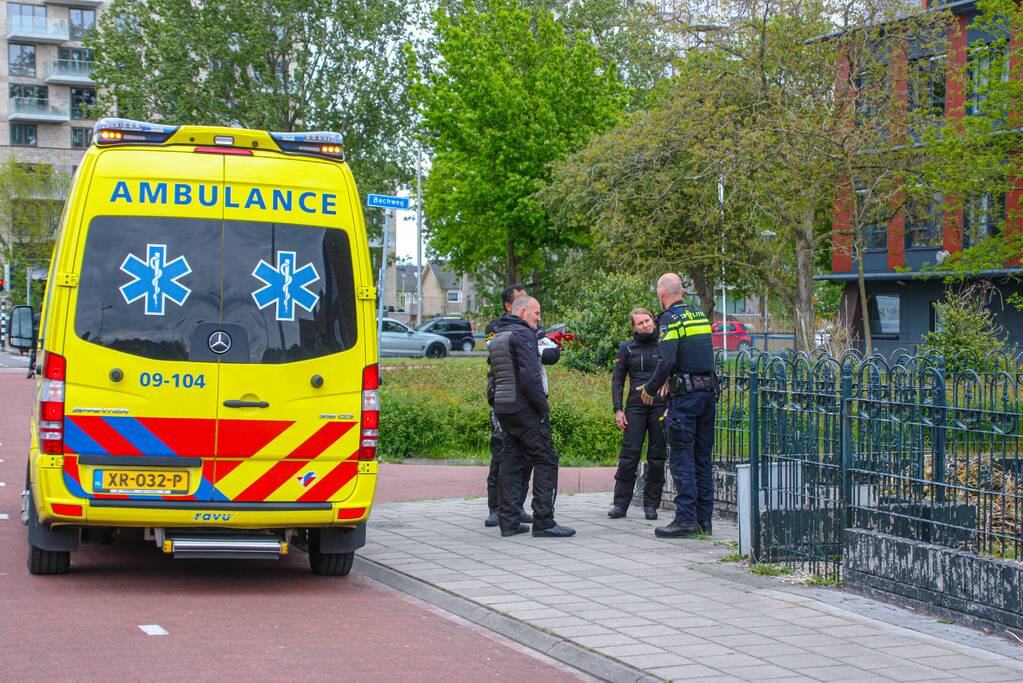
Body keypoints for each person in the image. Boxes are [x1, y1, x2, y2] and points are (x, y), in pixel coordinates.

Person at [639, 274, 718, 538]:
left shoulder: (670, 319)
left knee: (682, 459)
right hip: (707, 395)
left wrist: (651, 388)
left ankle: (684, 520)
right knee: (702, 460)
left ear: (662, 294)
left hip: (685, 401)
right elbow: (696, 355)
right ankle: (703, 521)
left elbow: (667, 360)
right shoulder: (700, 316)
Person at [488, 296, 574, 538]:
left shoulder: (499, 335)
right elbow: (529, 375)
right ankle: (544, 521)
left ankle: (509, 522)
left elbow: (493, 376)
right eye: (536, 313)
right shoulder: (523, 334)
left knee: (511, 461)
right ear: (523, 311)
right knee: (546, 458)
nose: (539, 318)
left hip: (504, 408)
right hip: (525, 408)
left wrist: (495, 404)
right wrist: (542, 409)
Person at [609, 308, 667, 521]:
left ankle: (651, 505)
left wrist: (671, 404)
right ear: (634, 327)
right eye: (640, 323)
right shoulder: (627, 348)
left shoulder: (664, 344)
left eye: (648, 320)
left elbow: (673, 372)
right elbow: (617, 380)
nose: (646, 325)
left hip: (660, 406)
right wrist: (617, 409)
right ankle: (620, 504)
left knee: (657, 457)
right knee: (629, 455)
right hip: (635, 407)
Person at [484, 284, 532, 528]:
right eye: (520, 300)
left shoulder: (531, 326)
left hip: (526, 398)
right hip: (502, 395)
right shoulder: (494, 328)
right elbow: (494, 352)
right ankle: (496, 507)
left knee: (526, 454)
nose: (527, 304)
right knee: (502, 449)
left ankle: (516, 506)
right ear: (508, 305)